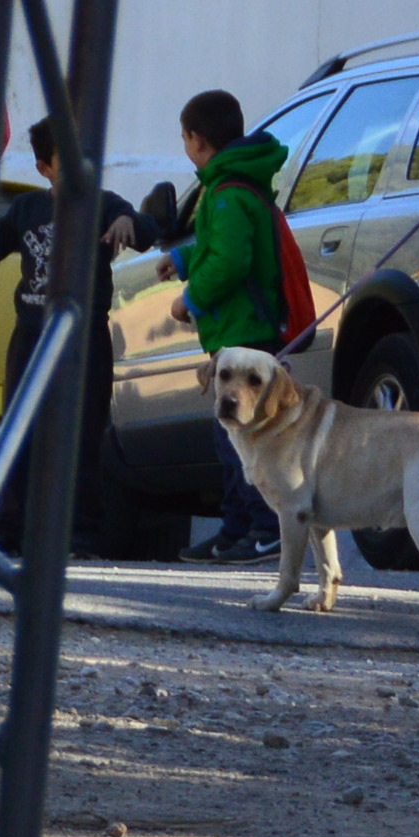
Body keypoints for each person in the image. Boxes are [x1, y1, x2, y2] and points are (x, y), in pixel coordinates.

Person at [0, 113, 138, 560]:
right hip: (31, 335)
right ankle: (8, 530)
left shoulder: (103, 204)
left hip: (84, 339)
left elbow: (143, 226)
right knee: (19, 431)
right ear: (44, 168)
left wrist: (128, 220)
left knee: (84, 434)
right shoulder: (27, 209)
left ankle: (81, 534)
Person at [171, 88, 291, 566]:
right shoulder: (235, 184)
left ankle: (265, 528)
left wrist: (189, 300)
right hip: (241, 327)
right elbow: (222, 243)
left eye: (184, 138)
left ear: (196, 139)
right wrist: (183, 260)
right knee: (230, 437)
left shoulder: (225, 192)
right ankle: (236, 527)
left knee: (246, 435)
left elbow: (231, 260)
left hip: (243, 329)